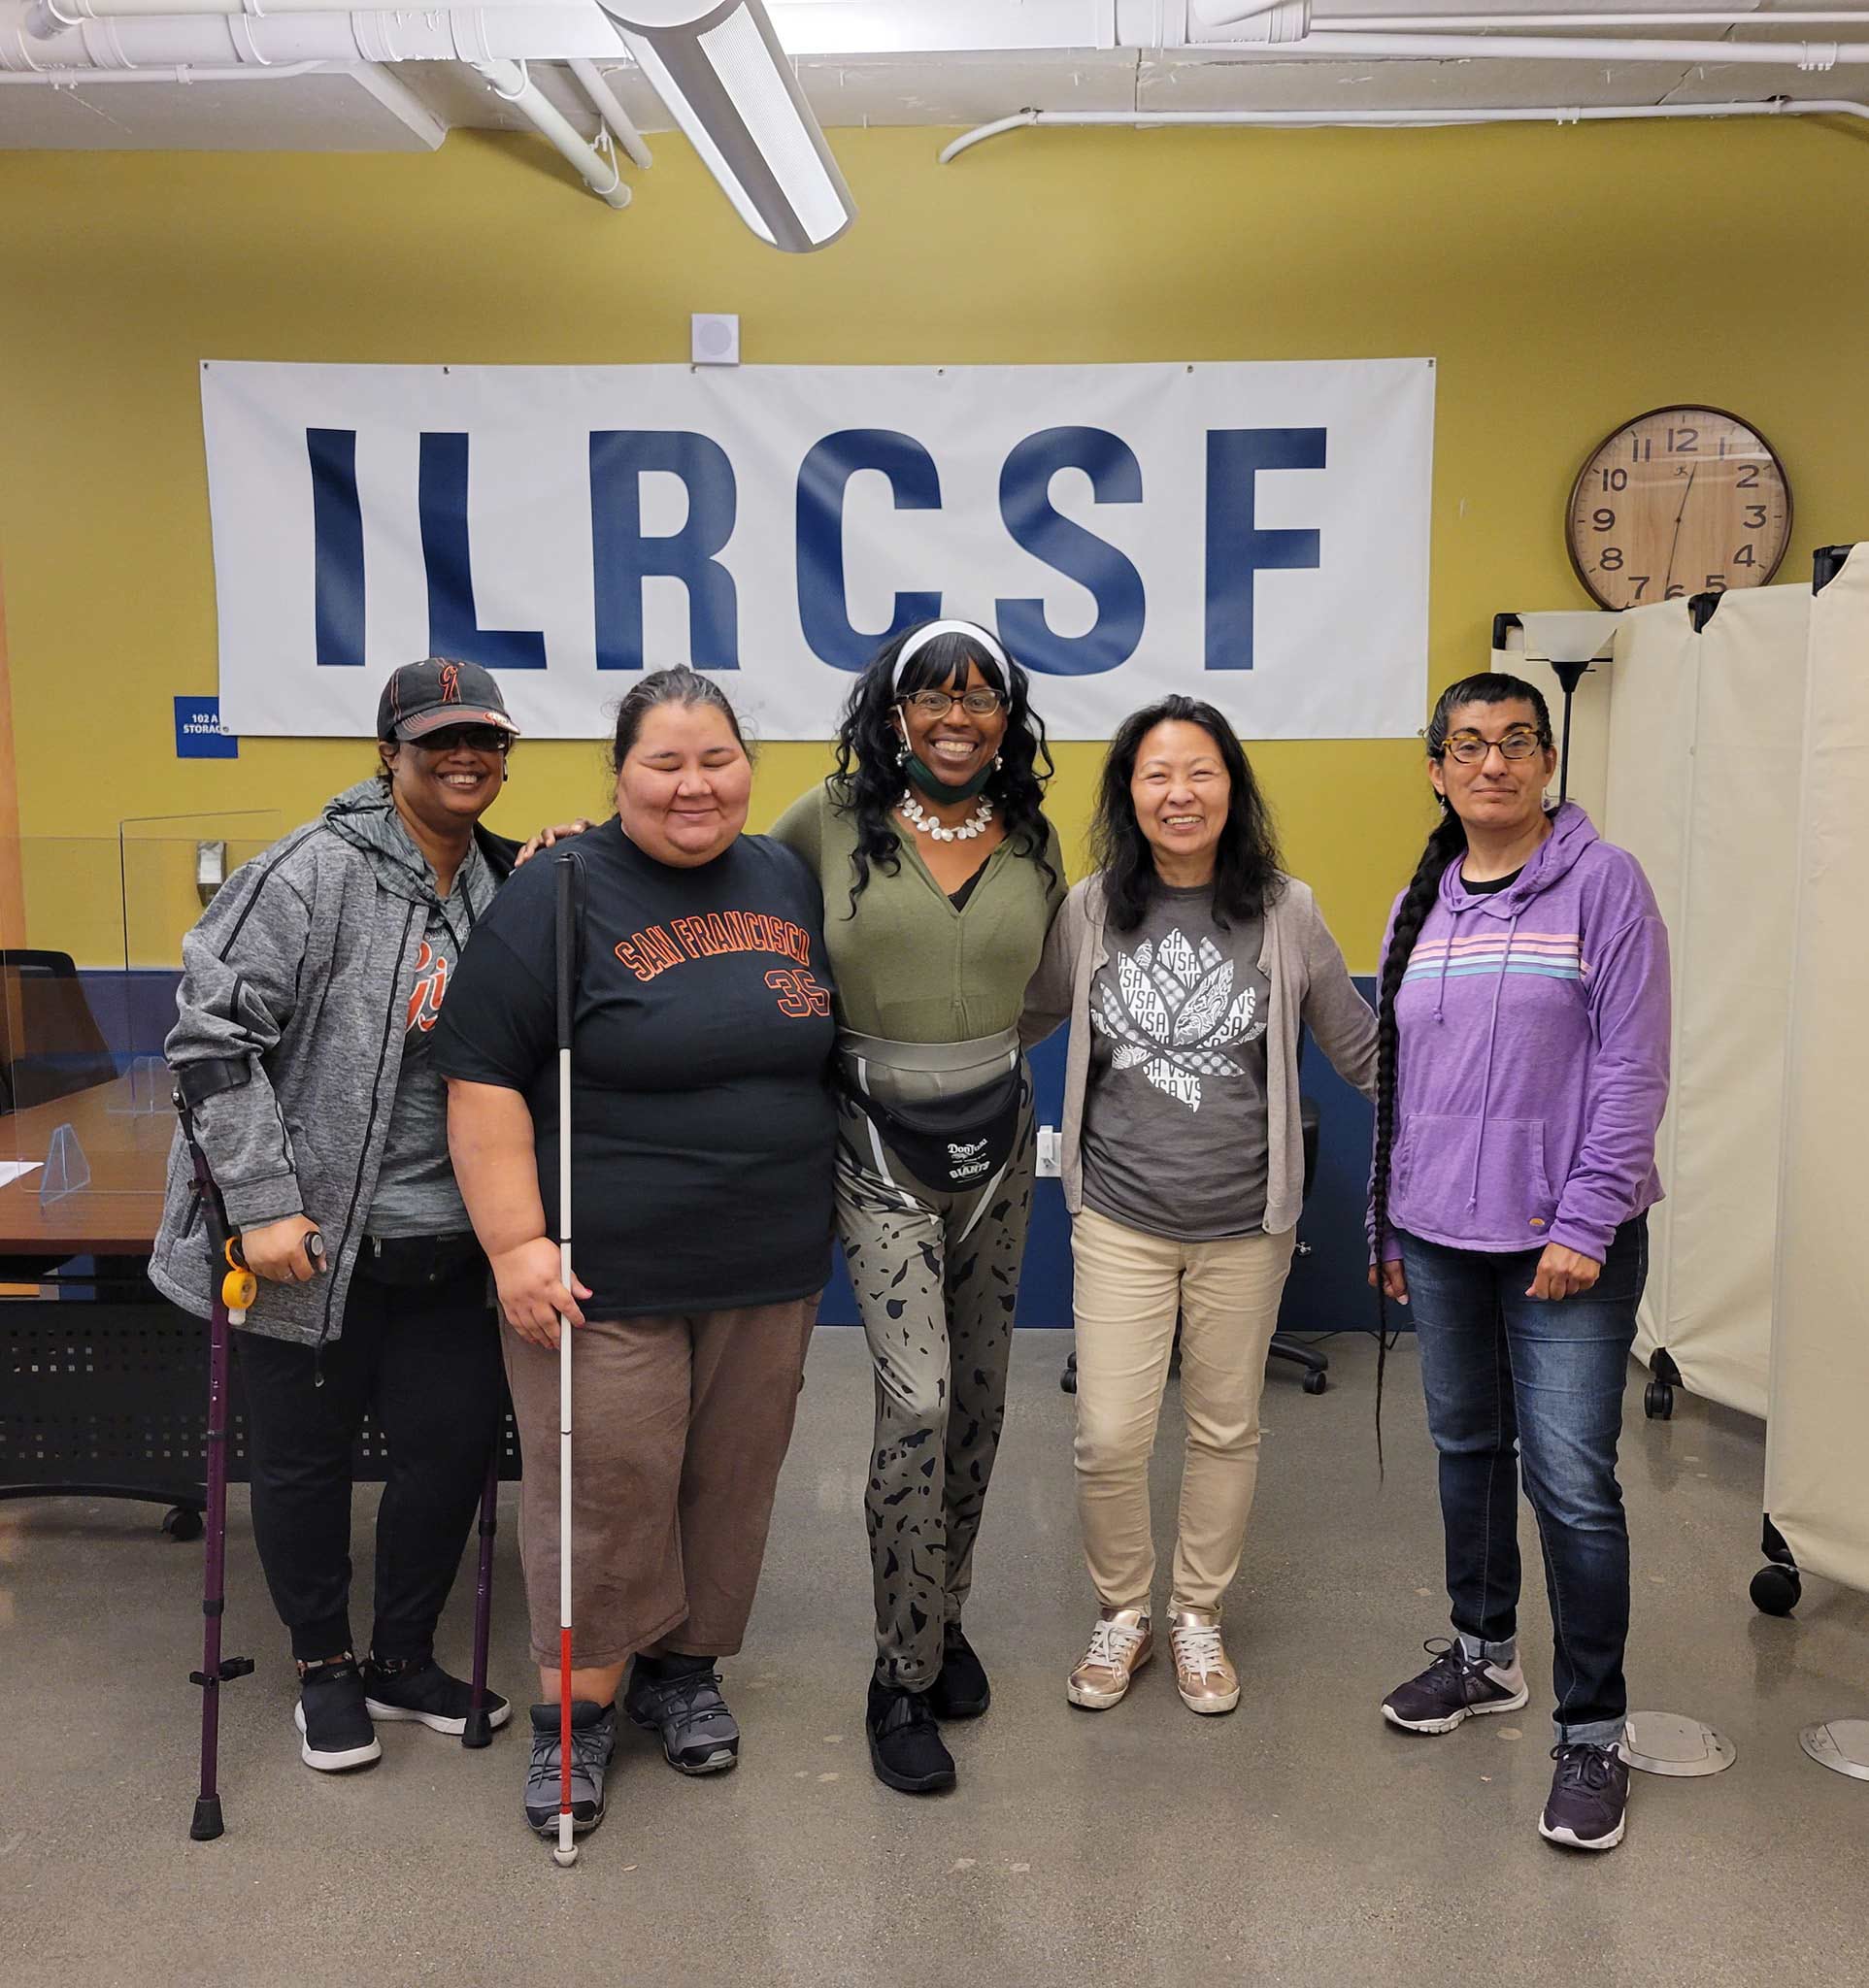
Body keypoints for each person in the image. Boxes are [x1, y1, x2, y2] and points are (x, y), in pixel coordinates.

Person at [435, 666, 837, 1842]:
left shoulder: (782, 875)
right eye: (663, 762)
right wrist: (514, 1242)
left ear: (746, 767)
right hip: (605, 1269)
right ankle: (577, 1711)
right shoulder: (556, 889)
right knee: (601, 1490)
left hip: (765, 1260)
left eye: (714, 758)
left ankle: (683, 1666)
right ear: (618, 775)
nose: (692, 784)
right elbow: (481, 1076)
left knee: (730, 1482)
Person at [150, 657, 524, 1774]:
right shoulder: (309, 872)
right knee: (304, 1461)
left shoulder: (503, 881)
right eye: (438, 741)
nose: (465, 759)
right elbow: (212, 1040)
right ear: (388, 754)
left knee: (449, 1451)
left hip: (451, 1238)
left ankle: (402, 1655)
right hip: (312, 1243)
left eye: (486, 741)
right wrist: (263, 1203)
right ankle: (323, 1669)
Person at [1022, 696, 1377, 1717]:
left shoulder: (1285, 908)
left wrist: (1474, 1105)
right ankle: (1123, 1610)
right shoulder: (1088, 908)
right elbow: (1021, 1011)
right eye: (1155, 774)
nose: (1178, 793)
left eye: (1200, 771)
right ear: (1127, 793)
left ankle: (1194, 1616)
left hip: (1243, 1224)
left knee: (1223, 1427)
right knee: (1108, 1434)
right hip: (1121, 1218)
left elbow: (1356, 1047)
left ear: (1231, 786)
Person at [1368, 671, 1670, 1854]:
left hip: (1564, 1245)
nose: (1490, 763)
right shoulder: (1420, 902)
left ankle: (1591, 1729)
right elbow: (1410, 1086)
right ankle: (1484, 1654)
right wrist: (1387, 1223)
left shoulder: (1604, 886)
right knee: (1464, 1451)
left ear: (1544, 761)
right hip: (1441, 1233)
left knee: (1571, 1482)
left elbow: (1631, 1069)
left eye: (1514, 742)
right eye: (1466, 745)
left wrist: (1584, 1222)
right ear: (1435, 767)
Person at [770, 618, 1066, 1796]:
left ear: (1006, 714)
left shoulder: (1034, 838)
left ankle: (940, 1619)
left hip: (999, 1139)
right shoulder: (824, 820)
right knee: (919, 1400)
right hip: (871, 1142)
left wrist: (975, 1059)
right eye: (932, 696)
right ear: (893, 712)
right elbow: (711, 882)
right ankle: (897, 1672)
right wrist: (578, 852)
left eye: (979, 695)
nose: (956, 715)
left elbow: (1044, 989)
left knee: (982, 1404)